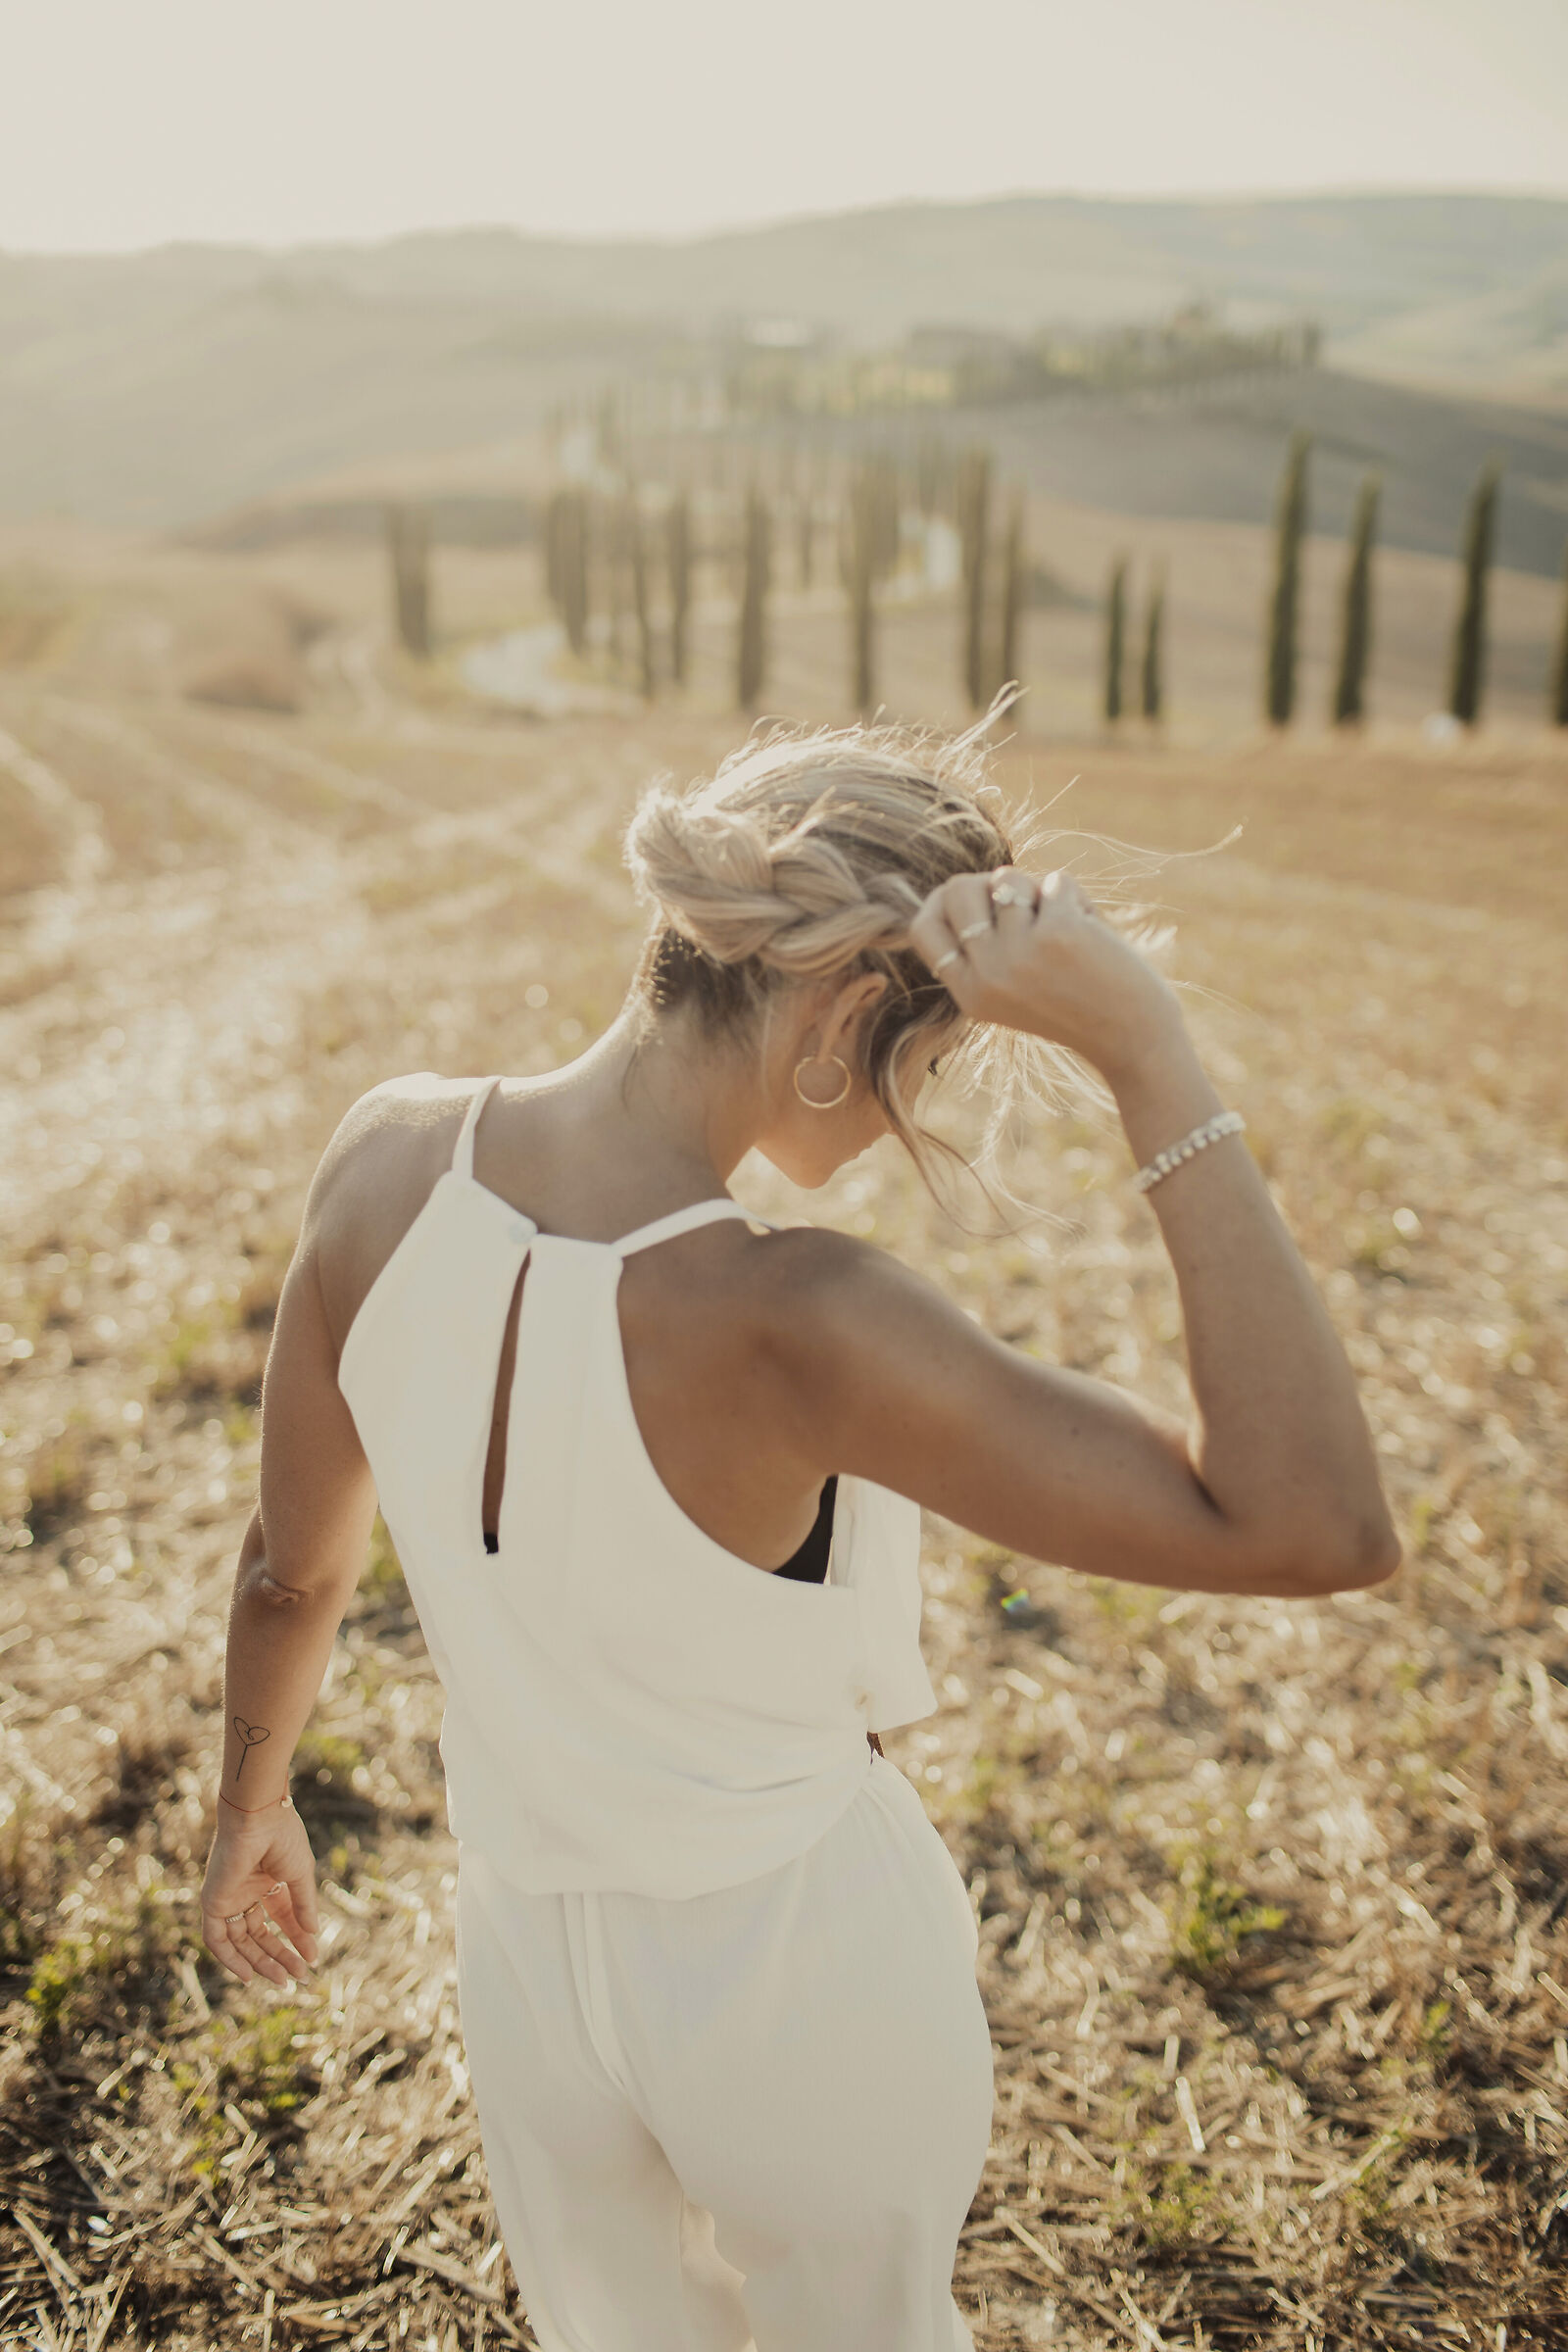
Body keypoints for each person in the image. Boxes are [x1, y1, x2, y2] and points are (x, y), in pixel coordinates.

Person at [200, 721, 1398, 2352]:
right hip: (799, 1970)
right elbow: (1312, 1519)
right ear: (840, 1020)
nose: (929, 1095)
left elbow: (289, 1572)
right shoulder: (805, 1319)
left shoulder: (386, 1152)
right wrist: (1152, 1057)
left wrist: (250, 1805)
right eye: (939, 1053)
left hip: (531, 1974)